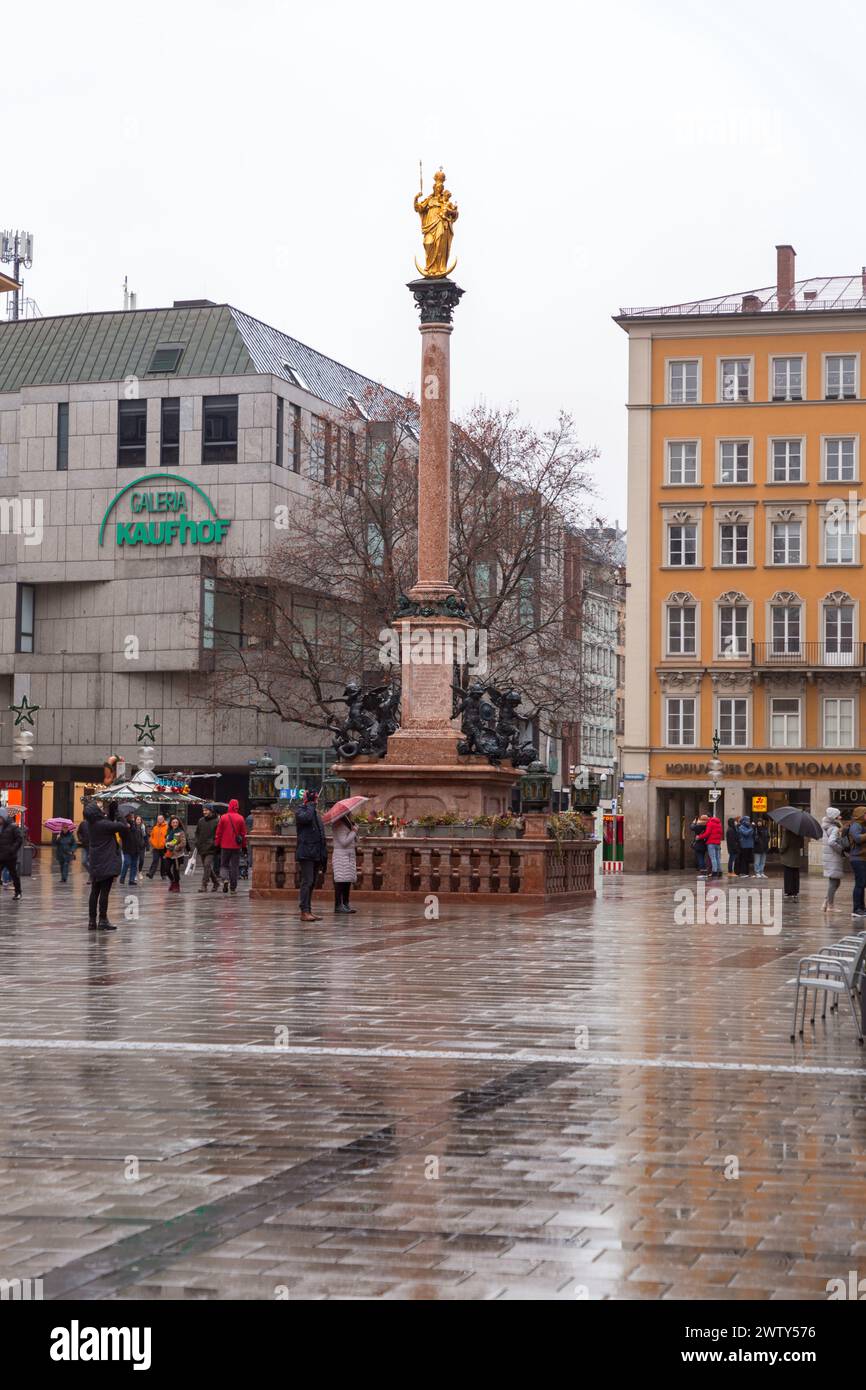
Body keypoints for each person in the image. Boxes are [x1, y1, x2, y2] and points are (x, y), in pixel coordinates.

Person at [83, 799, 138, 929]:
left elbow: (109, 822)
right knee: (104, 892)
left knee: (94, 892)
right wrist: (117, 812)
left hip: (96, 862)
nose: (101, 809)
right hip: (106, 862)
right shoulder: (103, 825)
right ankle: (103, 920)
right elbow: (123, 826)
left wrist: (112, 812)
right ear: (96, 812)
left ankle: (92, 921)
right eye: (99, 807)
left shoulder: (91, 824)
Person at [295, 789, 327, 921]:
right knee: (307, 881)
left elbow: (320, 832)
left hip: (315, 852)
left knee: (312, 882)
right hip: (306, 852)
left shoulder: (314, 812)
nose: (317, 801)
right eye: (316, 799)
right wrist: (310, 804)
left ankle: (309, 910)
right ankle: (304, 911)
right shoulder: (301, 810)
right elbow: (306, 819)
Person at [215, 798, 247, 894]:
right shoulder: (240, 818)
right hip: (236, 846)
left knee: (224, 865)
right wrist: (244, 846)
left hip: (225, 845)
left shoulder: (223, 817)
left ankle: (225, 879)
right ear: (237, 806)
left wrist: (217, 843)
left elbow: (218, 832)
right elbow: (243, 834)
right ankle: (233, 888)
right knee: (234, 866)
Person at [332, 811, 358, 913]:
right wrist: (354, 832)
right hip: (341, 856)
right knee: (340, 881)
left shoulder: (348, 823)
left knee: (347, 881)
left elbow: (355, 840)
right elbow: (344, 842)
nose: (351, 814)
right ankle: (338, 905)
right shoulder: (338, 824)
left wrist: (354, 830)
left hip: (349, 855)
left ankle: (346, 903)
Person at [821, 807, 846, 913]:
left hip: (829, 857)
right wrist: (841, 850)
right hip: (834, 857)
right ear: (834, 818)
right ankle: (830, 906)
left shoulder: (826, 826)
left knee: (835, 881)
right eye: (838, 816)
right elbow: (831, 842)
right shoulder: (834, 828)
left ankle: (826, 902)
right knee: (834, 882)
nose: (840, 817)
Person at [194, 805, 220, 893]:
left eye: (206, 810)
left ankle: (204, 885)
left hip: (211, 848)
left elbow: (218, 835)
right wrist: (197, 842)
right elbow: (197, 833)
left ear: (211, 811)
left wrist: (214, 844)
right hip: (201, 847)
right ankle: (216, 882)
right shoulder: (201, 820)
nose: (204, 812)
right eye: (203, 810)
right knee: (207, 867)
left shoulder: (217, 821)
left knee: (207, 865)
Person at [0, 808, 23, 900]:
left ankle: (18, 892)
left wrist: (12, 850)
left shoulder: (13, 826)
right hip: (0, 855)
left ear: (4, 817)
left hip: (10, 856)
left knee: (14, 875)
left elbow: (19, 839)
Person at [848, 806, 866, 918]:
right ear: (860, 814)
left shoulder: (863, 825)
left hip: (863, 858)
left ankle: (862, 907)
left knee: (863, 883)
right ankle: (856, 908)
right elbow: (857, 838)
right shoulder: (856, 825)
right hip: (857, 859)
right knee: (860, 883)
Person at [780, 824, 805, 900]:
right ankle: (795, 891)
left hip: (788, 857)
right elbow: (801, 845)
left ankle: (788, 891)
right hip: (796, 857)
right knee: (795, 875)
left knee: (788, 875)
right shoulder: (800, 833)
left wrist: (781, 851)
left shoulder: (787, 832)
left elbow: (784, 845)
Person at [696, 810, 723, 879]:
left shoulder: (710, 823)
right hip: (718, 843)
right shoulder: (719, 823)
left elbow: (707, 833)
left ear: (708, 818)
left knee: (713, 858)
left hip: (711, 843)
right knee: (718, 858)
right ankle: (719, 872)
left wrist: (699, 837)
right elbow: (721, 833)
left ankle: (714, 872)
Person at [163, 816, 188, 893]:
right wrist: (166, 844)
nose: (175, 824)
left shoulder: (181, 832)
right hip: (169, 854)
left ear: (179, 823)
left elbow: (183, 843)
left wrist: (176, 847)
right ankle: (173, 881)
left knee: (176, 870)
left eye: (176, 822)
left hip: (177, 855)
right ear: (171, 823)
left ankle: (176, 885)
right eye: (173, 822)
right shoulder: (169, 831)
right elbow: (166, 841)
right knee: (167, 869)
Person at [118, 811, 140, 887]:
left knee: (134, 864)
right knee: (127, 862)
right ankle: (122, 878)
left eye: (133, 815)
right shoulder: (123, 825)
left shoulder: (134, 824)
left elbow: (137, 834)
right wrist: (126, 828)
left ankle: (131, 880)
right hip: (127, 847)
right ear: (127, 816)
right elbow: (121, 835)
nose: (132, 817)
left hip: (135, 847)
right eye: (131, 815)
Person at [146, 814, 168, 879]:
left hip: (164, 848)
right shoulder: (155, 827)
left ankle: (163, 875)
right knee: (155, 860)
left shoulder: (167, 827)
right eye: (158, 819)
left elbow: (168, 837)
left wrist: (165, 843)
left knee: (164, 862)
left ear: (163, 819)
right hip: (156, 848)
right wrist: (152, 842)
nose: (160, 820)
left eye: (161, 819)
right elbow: (151, 836)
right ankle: (151, 874)